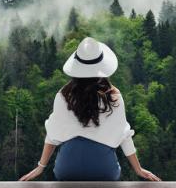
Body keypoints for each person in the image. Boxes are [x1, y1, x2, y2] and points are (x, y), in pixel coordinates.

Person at [19, 36, 162, 181]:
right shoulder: (113, 96)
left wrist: (40, 167)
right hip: (104, 169)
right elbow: (124, 135)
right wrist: (138, 169)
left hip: (67, 168)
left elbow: (53, 136)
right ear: (102, 66)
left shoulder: (63, 96)